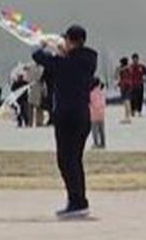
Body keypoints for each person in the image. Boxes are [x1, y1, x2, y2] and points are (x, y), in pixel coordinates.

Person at [31, 26, 97, 219]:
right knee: (75, 160)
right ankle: (78, 201)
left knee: (66, 160)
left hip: (67, 116)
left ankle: (76, 202)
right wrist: (62, 52)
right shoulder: (87, 61)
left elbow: (38, 56)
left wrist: (43, 44)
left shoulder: (66, 63)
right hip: (82, 115)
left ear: (69, 40)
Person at [122, 54, 146, 118]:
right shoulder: (130, 67)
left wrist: (145, 79)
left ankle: (139, 111)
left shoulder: (141, 66)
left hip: (140, 84)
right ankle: (132, 111)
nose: (135, 60)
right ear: (132, 59)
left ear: (138, 59)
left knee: (140, 98)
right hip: (132, 85)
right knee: (132, 98)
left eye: (136, 59)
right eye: (134, 59)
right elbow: (124, 72)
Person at [88, 78, 107, 149]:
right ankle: (103, 143)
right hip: (101, 114)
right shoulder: (102, 92)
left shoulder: (91, 93)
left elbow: (90, 103)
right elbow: (104, 102)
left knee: (94, 130)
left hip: (93, 114)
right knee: (101, 129)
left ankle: (96, 143)